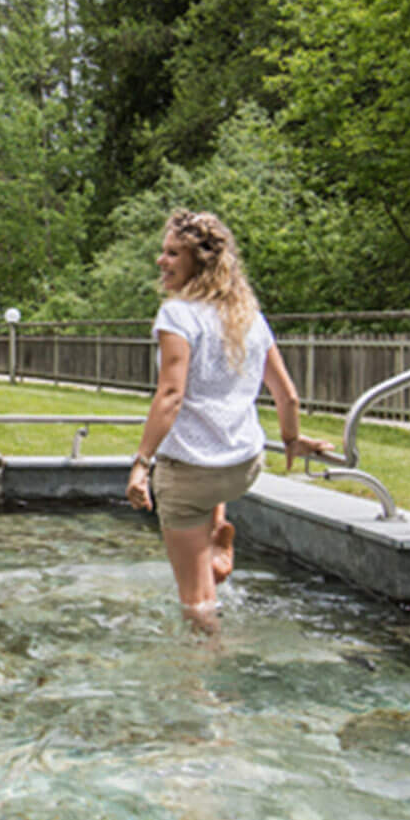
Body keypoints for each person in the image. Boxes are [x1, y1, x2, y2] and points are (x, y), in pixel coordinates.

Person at [125, 209, 328, 625]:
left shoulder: (176, 315)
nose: (161, 261)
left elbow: (170, 395)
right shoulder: (249, 317)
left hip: (192, 473)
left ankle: (204, 678)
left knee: (196, 601)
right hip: (244, 466)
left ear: (199, 262)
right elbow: (286, 394)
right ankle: (217, 533)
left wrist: (141, 463)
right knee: (209, 474)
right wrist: (292, 440)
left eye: (172, 254)